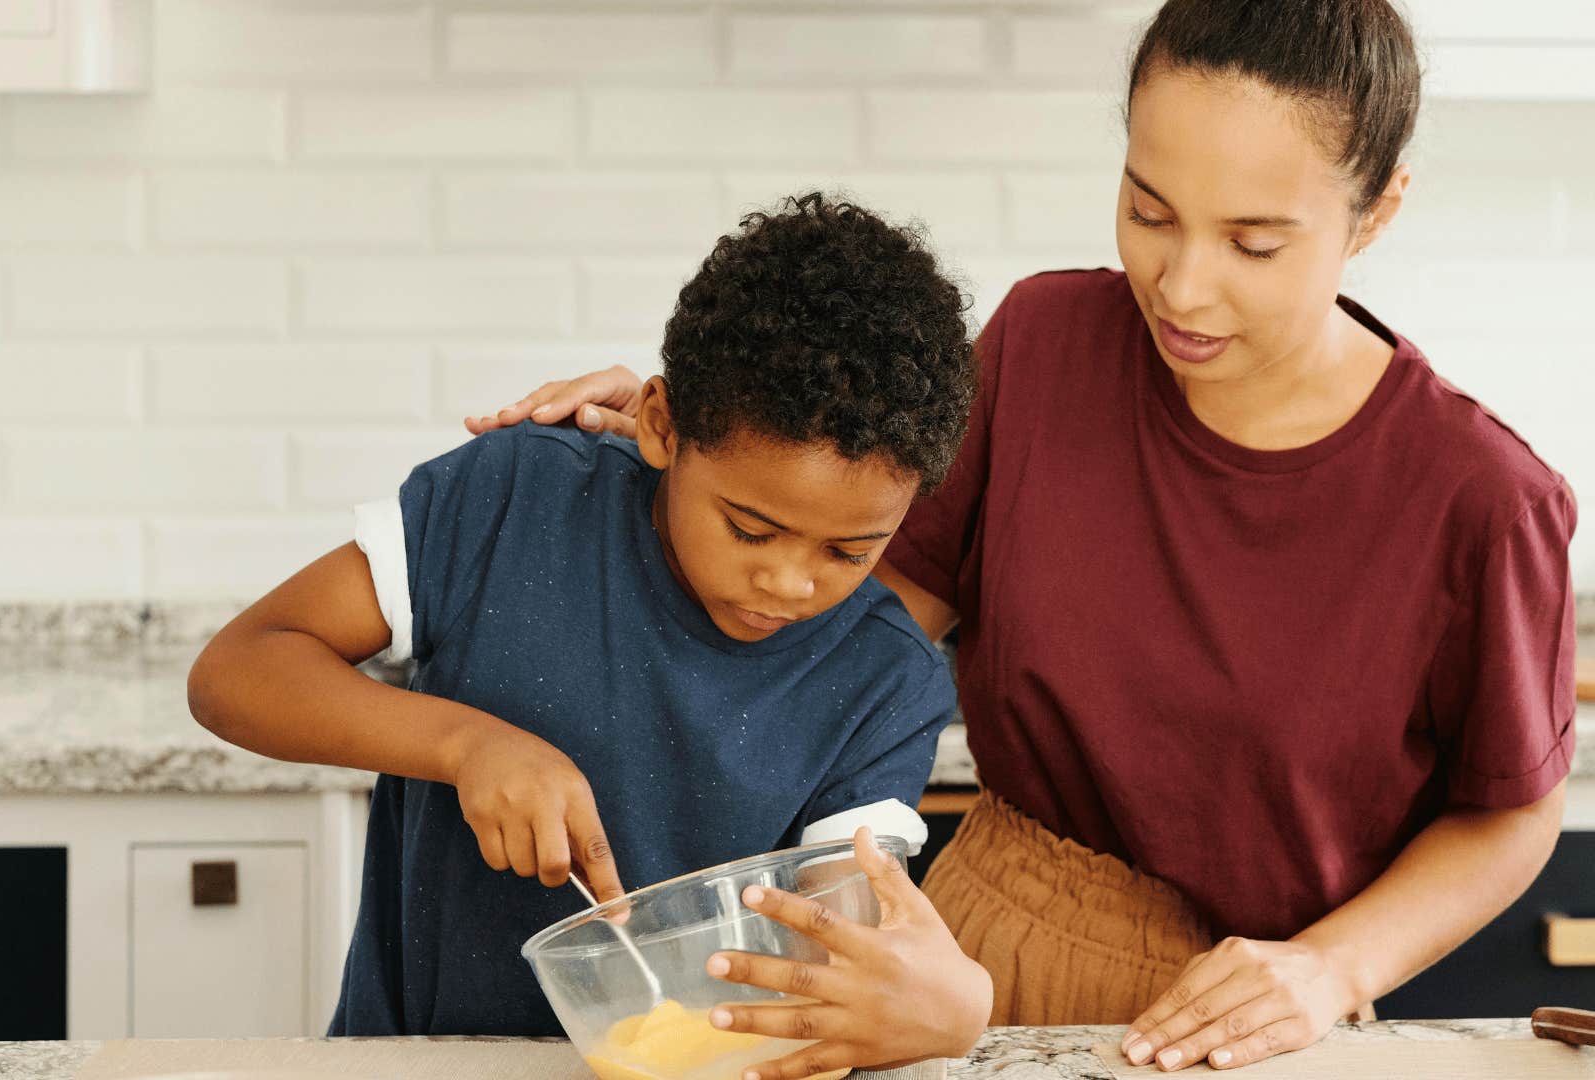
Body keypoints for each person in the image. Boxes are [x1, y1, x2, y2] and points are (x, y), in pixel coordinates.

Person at [467, 2, 1577, 1074]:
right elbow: (847, 623)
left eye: (1253, 242)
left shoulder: (1482, 499)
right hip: (969, 961)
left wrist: (1331, 969)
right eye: (1148, 211)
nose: (1182, 286)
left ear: (1376, 212)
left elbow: (1510, 813)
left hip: (1249, 1025)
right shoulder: (1045, 349)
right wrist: (691, 453)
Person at [188, 193, 993, 1049]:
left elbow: (846, 934)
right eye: (750, 528)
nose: (789, 582)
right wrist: (466, 745)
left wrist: (928, 999)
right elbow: (235, 673)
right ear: (660, 425)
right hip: (416, 1059)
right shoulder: (514, 500)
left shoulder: (884, 678)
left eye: (849, 552)